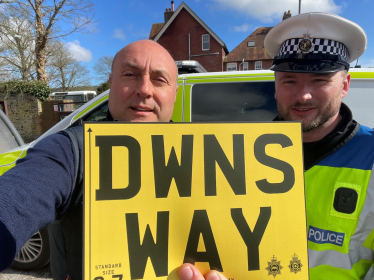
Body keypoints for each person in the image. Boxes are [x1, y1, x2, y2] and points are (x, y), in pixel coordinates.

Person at [176, 12, 374, 280]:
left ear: (345, 85)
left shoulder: (370, 157)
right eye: (289, 80)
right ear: (275, 87)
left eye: (320, 80)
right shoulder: (235, 154)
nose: (303, 95)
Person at [0, 39, 179, 280]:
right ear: (111, 83)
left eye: (159, 79)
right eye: (130, 74)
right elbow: (16, 199)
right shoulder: (70, 150)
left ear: (175, 93)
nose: (145, 89)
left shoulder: (209, 151)